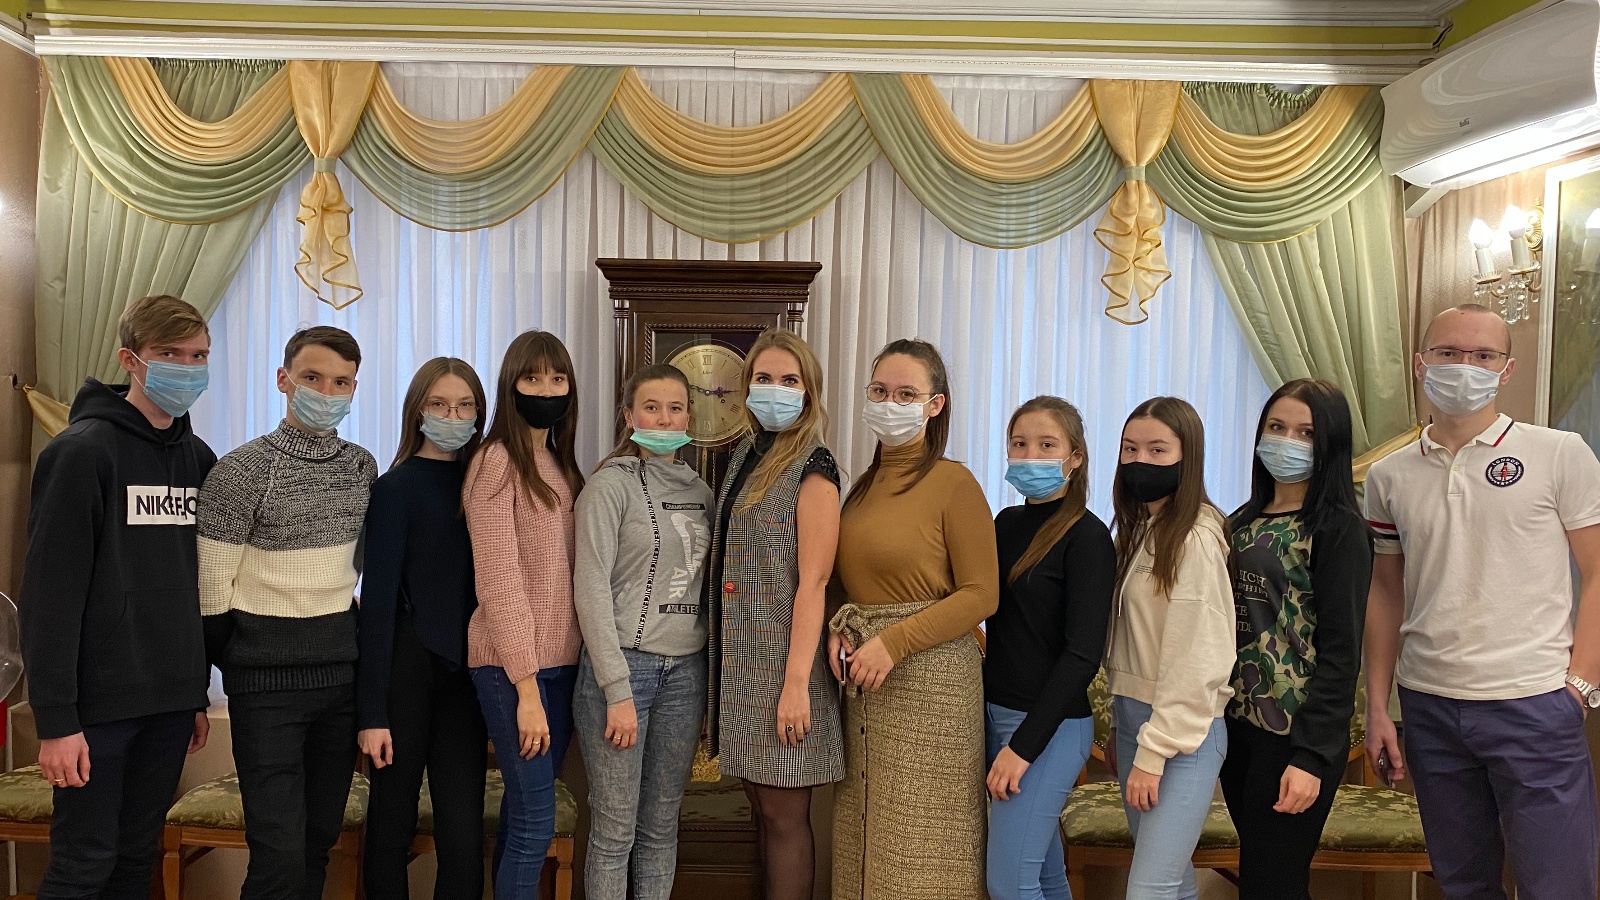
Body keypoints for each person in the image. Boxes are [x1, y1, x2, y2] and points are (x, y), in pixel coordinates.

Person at [1365, 303, 1600, 900]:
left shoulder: (1560, 453)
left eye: (1483, 355)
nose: (1464, 365)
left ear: (1506, 369)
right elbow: (1385, 592)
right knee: (1463, 883)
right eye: (1448, 352)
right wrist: (1377, 706)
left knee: (1558, 886)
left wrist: (1581, 686)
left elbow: (1598, 572)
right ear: (1420, 363)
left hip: (1534, 702)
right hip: (1430, 705)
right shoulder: (1388, 476)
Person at [20, 294, 215, 900]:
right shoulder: (80, 453)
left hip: (171, 701)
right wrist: (56, 721)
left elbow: (198, 584)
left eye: (199, 356)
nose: (188, 367)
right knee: (83, 863)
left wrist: (194, 692)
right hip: (96, 708)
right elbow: (49, 597)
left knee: (136, 860)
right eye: (170, 354)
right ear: (132, 360)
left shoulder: (199, 459)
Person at [198, 325, 376, 900]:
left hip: (339, 683)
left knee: (318, 843)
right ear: (283, 379)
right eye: (312, 378)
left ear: (354, 389)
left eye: (341, 382)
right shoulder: (240, 471)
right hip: (265, 690)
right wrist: (244, 661)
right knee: (277, 854)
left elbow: (357, 569)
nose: (326, 392)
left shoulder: (362, 468)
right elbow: (210, 593)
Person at [827, 338, 999, 900]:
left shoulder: (955, 483)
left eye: (906, 394)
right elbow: (846, 580)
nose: (889, 403)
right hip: (866, 683)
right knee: (868, 833)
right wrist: (836, 628)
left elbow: (982, 594)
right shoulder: (861, 487)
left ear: (935, 404)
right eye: (880, 391)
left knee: (924, 841)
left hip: (933, 684)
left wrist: (893, 643)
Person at [1221, 379, 1371, 900]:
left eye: (1305, 433)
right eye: (1276, 427)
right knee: (1259, 879)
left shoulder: (1339, 528)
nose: (1287, 441)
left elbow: (1342, 653)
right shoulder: (1240, 522)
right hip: (1237, 728)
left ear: (1329, 443)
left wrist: (1310, 757)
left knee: (1274, 884)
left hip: (1294, 735)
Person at [707, 329, 843, 900]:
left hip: (785, 670)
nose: (775, 389)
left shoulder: (814, 467)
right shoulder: (747, 453)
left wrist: (795, 687)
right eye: (764, 378)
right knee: (763, 812)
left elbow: (814, 583)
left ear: (809, 393)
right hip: (742, 668)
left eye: (790, 380)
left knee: (786, 818)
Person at [572, 364, 712, 899]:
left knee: (661, 827)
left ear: (689, 418)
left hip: (686, 675)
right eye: (651, 408)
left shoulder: (702, 492)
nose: (664, 418)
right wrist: (616, 689)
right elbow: (590, 590)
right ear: (629, 416)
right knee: (614, 832)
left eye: (675, 408)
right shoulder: (610, 486)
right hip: (623, 670)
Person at [356, 358, 490, 900]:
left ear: (479, 413)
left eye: (464, 406)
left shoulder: (486, 484)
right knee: (392, 821)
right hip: (404, 674)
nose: (451, 416)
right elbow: (377, 604)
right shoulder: (394, 488)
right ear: (418, 411)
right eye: (439, 404)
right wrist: (372, 714)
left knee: (463, 833)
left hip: (468, 678)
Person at [464, 330, 587, 900]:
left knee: (522, 819)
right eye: (532, 378)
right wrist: (527, 688)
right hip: (512, 671)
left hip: (561, 667)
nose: (546, 389)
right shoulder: (496, 462)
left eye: (557, 378)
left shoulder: (560, 463)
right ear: (510, 386)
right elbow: (499, 582)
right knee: (537, 824)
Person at [984, 396, 1116, 900]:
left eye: (1046, 445)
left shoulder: (1088, 537)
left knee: (1008, 884)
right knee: (1042, 875)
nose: (1030, 455)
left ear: (1075, 457)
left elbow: (1082, 656)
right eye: (1020, 444)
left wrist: (1023, 747)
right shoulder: (1004, 524)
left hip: (1049, 727)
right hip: (995, 714)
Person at [1105, 396, 1234, 900]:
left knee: (1149, 890)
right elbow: (1135, 640)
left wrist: (1153, 753)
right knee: (1172, 884)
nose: (1141, 461)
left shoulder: (1194, 538)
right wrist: (1122, 726)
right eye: (1130, 449)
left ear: (1188, 457)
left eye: (1158, 450)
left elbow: (1197, 660)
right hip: (1135, 722)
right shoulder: (1140, 528)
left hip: (1182, 736)